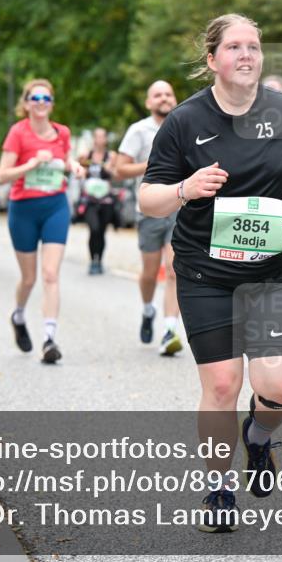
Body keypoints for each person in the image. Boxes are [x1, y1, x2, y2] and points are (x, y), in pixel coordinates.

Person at [140, 14, 282, 532]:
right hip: (206, 273)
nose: (246, 55)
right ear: (212, 60)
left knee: (281, 387)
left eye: (254, 46)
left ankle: (260, 437)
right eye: (234, 47)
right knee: (223, 384)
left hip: (274, 273)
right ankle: (220, 490)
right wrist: (186, 188)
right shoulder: (184, 122)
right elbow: (149, 199)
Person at [0, 78, 84, 364]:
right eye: (35, 98)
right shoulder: (17, 133)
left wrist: (74, 166)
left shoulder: (62, 133)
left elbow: (67, 161)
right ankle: (18, 315)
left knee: (50, 274)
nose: (41, 103)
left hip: (55, 207)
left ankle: (49, 339)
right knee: (29, 277)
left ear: (51, 104)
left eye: (46, 98)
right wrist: (30, 165)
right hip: (23, 209)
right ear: (26, 104)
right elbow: (1, 176)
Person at [115, 81, 184, 356]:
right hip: (149, 210)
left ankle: (169, 331)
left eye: (168, 93)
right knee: (149, 273)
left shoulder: (184, 125)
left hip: (180, 207)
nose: (164, 98)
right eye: (157, 94)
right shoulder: (138, 130)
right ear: (148, 102)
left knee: (174, 269)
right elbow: (119, 169)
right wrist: (155, 162)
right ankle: (147, 309)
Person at [78, 128, 116, 275]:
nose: (100, 139)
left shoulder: (111, 156)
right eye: (97, 136)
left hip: (106, 200)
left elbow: (116, 174)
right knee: (93, 229)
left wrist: (109, 168)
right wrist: (83, 168)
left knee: (101, 231)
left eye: (102, 136)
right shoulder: (86, 156)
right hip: (90, 200)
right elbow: (79, 172)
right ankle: (92, 261)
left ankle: (99, 261)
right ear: (94, 139)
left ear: (106, 139)